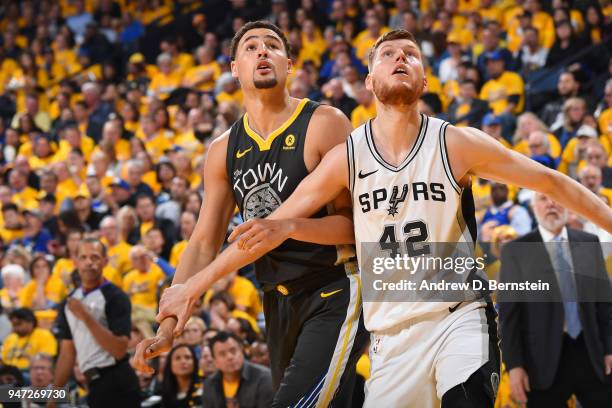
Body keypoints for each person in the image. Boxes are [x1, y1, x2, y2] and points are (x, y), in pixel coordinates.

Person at [153, 28, 612, 407]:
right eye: (387, 54)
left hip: (458, 316)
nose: (400, 58)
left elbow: (554, 183)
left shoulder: (456, 143)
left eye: (410, 54)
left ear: (424, 79)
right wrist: (190, 287)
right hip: (390, 336)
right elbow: (264, 233)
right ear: (369, 81)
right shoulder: (346, 157)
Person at [133, 20, 367, 407]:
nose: (262, 51)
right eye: (251, 47)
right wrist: (170, 326)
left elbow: (354, 226)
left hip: (335, 287)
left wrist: (288, 228)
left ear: (289, 64)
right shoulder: (223, 150)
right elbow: (204, 241)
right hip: (275, 300)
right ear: (234, 68)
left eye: (272, 46)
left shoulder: (324, 123)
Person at [499, 193, 612, 407]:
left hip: (592, 353)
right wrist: (514, 366)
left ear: (569, 205)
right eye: (543, 198)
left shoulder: (589, 242)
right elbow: (509, 315)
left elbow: (605, 305)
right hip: (540, 361)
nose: (552, 203)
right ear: (533, 207)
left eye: (557, 197)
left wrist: (610, 348)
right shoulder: (516, 250)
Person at [52, 238, 140, 407]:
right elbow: (67, 354)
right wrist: (53, 398)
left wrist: (86, 316)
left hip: (118, 382)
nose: (88, 263)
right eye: (83, 257)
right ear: (75, 261)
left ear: (105, 261)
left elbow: (119, 350)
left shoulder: (116, 297)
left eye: (95, 257)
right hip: (93, 383)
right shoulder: (69, 302)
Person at [202, 331, 273, 407]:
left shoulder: (264, 378)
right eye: (222, 354)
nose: (230, 357)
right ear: (215, 361)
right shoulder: (209, 384)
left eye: (233, 351)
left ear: (242, 351)